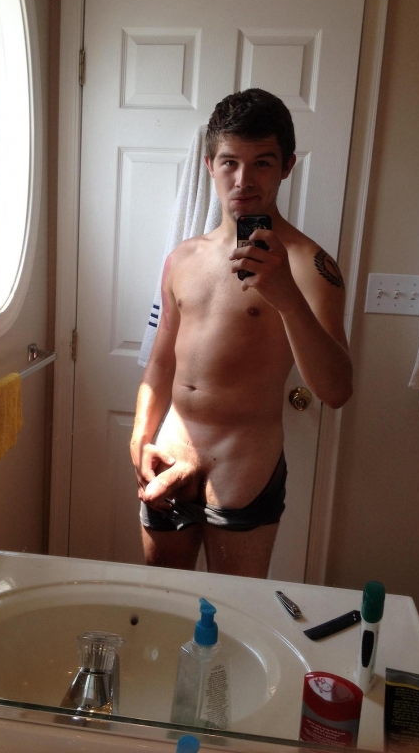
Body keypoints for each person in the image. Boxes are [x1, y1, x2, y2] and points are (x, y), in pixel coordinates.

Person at [130, 88, 352, 578]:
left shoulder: (311, 266)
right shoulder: (182, 258)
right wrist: (140, 437)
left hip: (244, 465)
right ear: (210, 164)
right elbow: (162, 362)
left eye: (262, 163)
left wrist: (286, 296)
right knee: (161, 601)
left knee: (231, 611)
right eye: (230, 162)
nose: (244, 180)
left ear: (287, 166)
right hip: (170, 452)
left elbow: (337, 390)